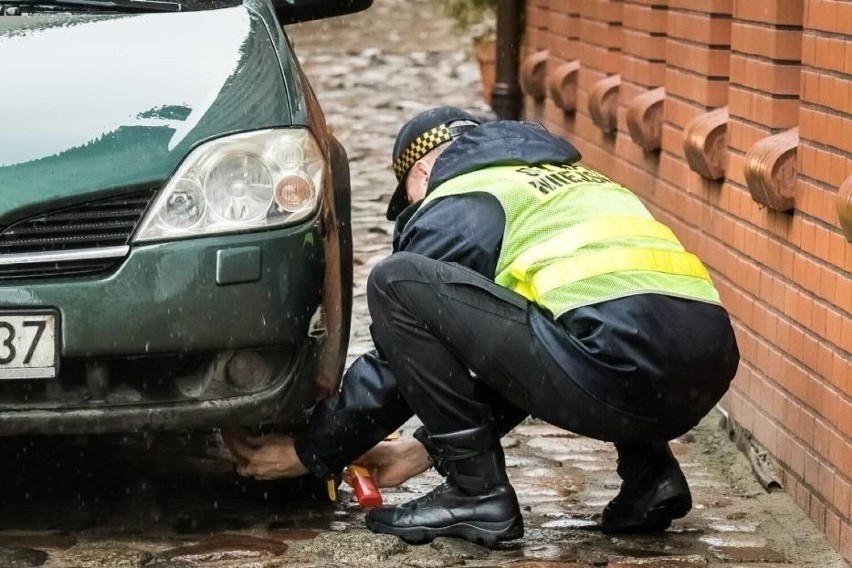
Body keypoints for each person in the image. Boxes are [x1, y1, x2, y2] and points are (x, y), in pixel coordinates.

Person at [224, 106, 740, 546]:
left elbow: (395, 364)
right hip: (705, 368)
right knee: (581, 315)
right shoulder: (568, 182)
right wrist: (424, 449)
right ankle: (650, 476)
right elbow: (524, 351)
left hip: (617, 372)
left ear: (421, 172)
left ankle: (477, 494)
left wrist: (310, 451)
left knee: (396, 283)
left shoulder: (463, 199)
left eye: (409, 197)